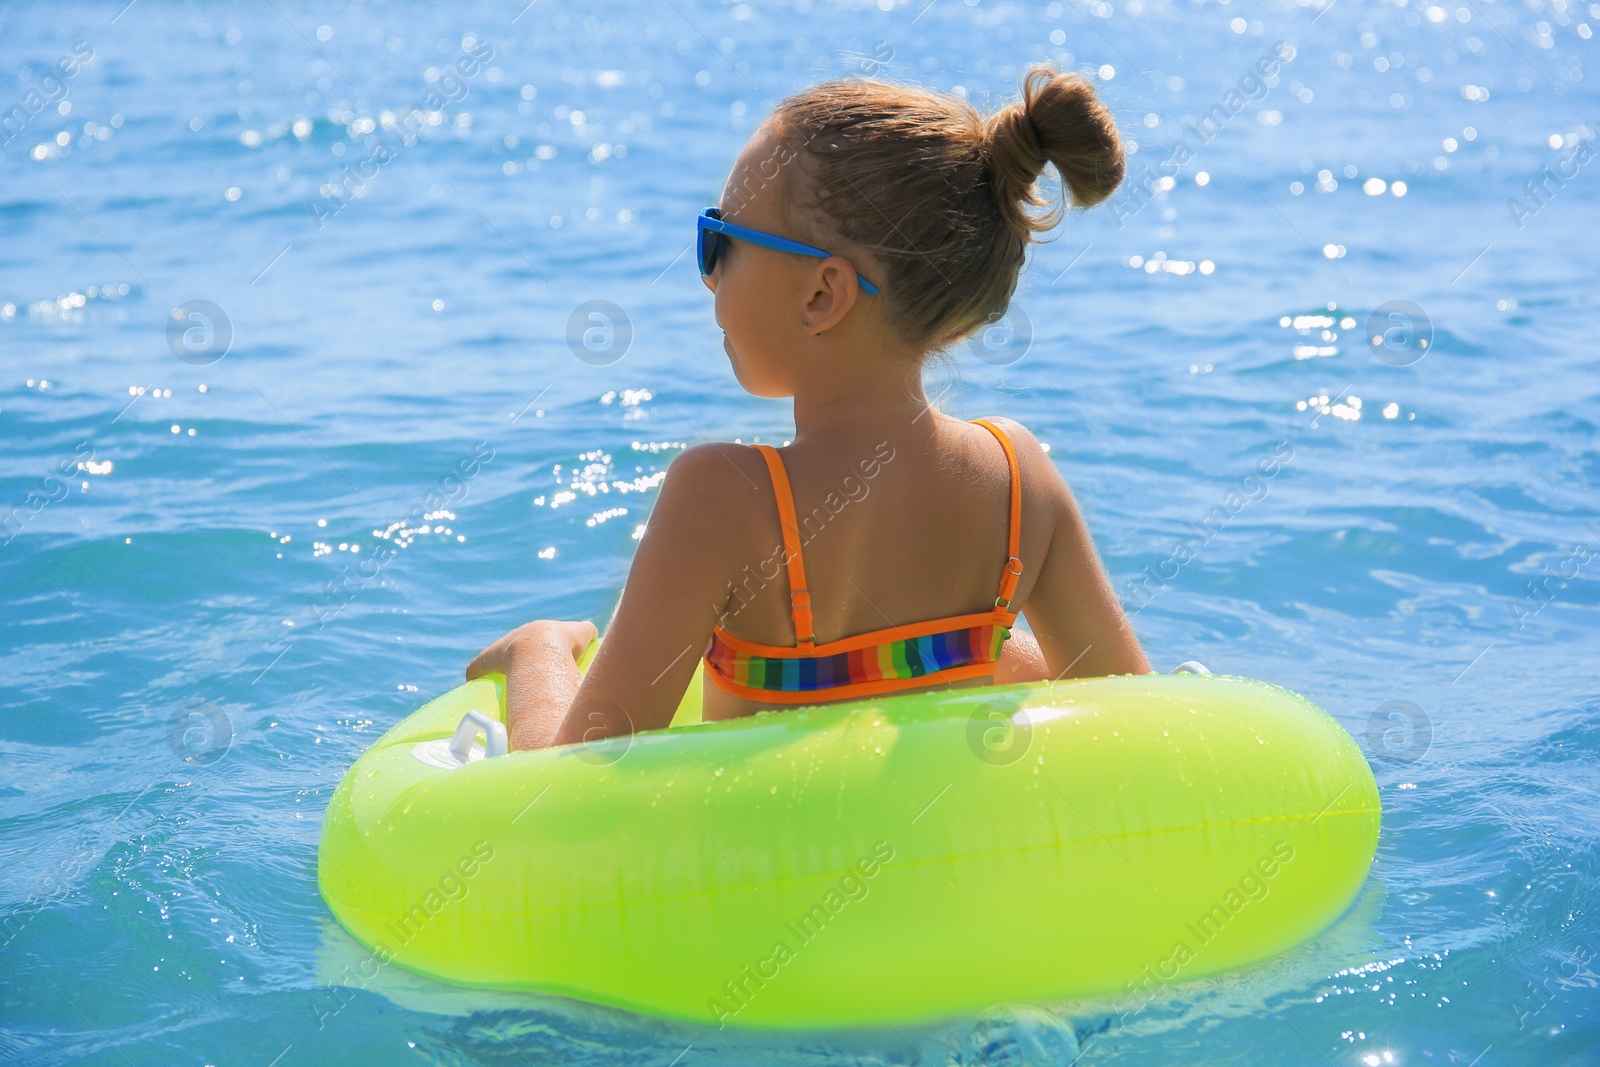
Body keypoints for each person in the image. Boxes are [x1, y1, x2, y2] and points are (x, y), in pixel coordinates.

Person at [468, 65, 1150, 752]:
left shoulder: (721, 498)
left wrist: (542, 656)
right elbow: (1140, 721)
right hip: (934, 851)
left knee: (544, 663)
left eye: (722, 241)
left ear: (822, 294)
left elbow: (573, 777)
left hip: (766, 858)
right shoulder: (1019, 479)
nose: (708, 274)